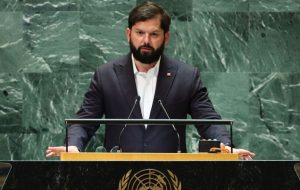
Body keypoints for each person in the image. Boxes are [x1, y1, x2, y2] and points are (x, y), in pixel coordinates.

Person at [47, 1, 255, 159]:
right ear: (129, 34)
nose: (146, 41)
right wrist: (73, 146)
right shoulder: (106, 75)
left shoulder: (186, 76)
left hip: (171, 178)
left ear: (166, 37)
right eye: (140, 33)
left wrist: (224, 145)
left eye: (154, 34)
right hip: (117, 176)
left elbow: (208, 121)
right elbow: (85, 121)